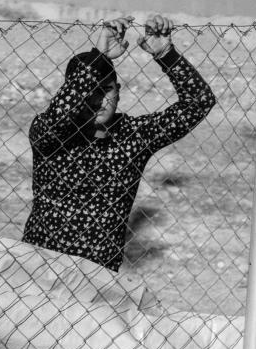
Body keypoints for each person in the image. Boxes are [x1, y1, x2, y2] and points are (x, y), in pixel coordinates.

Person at [23, 15, 216, 271]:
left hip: (99, 278)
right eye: (90, 91)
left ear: (118, 91)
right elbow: (61, 113)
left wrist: (166, 54)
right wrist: (99, 56)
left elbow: (198, 102)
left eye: (107, 90)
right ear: (74, 91)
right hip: (39, 269)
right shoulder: (51, 135)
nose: (100, 100)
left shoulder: (131, 137)